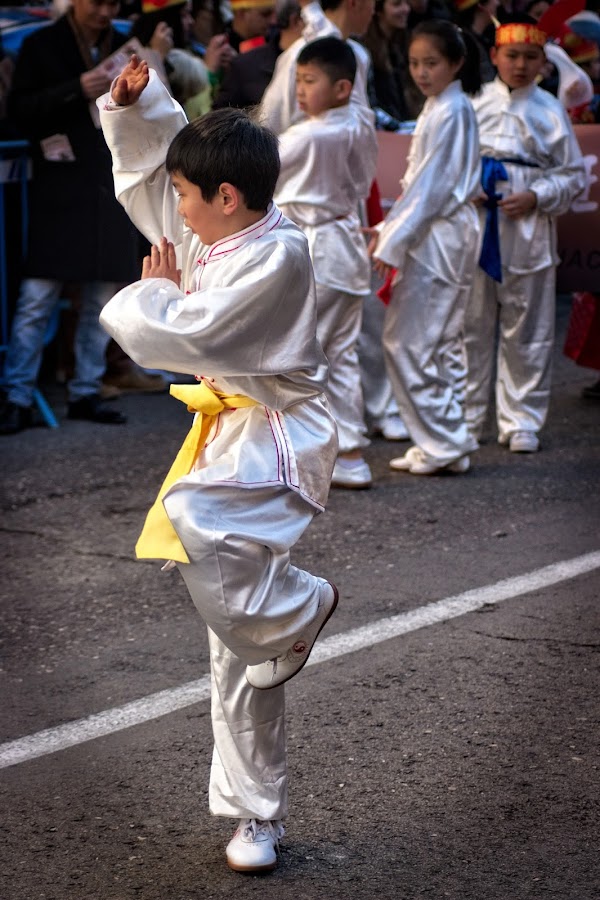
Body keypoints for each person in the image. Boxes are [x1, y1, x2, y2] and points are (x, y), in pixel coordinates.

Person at [97, 55, 339, 873]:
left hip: (279, 435)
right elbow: (161, 179)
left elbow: (190, 334)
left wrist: (157, 295)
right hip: (230, 433)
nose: (176, 212)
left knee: (198, 519)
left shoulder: (278, 256)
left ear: (227, 198)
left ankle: (298, 609)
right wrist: (139, 108)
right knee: (233, 648)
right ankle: (253, 813)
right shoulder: (219, 225)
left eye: (189, 197)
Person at [0, 0, 141, 435]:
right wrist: (75, 88)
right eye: (97, 1)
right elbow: (19, 111)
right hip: (59, 185)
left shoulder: (125, 45)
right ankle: (16, 395)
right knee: (37, 295)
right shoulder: (42, 44)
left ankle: (86, 390)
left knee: (103, 301)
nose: (105, 11)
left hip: (111, 183)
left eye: (113, 3)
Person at [464, 17, 586, 453]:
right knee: (469, 324)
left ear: (543, 63)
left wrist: (537, 195)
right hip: (476, 224)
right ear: (494, 55)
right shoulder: (472, 102)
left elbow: (573, 175)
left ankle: (521, 419)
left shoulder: (550, 110)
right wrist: (466, 186)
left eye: (530, 57)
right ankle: (466, 416)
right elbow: (446, 161)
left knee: (528, 327)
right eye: (512, 55)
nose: (520, 65)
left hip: (527, 228)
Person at [369, 20, 482, 475]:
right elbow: (423, 185)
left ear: (456, 63)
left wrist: (391, 239)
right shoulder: (443, 106)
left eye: (431, 63)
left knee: (411, 341)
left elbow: (431, 188)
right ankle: (445, 438)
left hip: (439, 235)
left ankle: (443, 441)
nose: (421, 72)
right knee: (433, 340)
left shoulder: (451, 109)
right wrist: (388, 228)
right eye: (415, 63)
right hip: (437, 231)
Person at [274, 37, 378, 487]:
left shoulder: (310, 134)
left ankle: (311, 455)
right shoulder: (360, 121)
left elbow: (258, 168)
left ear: (341, 88)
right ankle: (348, 452)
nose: (300, 90)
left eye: (310, 80)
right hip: (344, 246)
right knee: (340, 355)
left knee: (307, 356)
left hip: (320, 250)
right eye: (298, 80)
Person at [260, 0, 375, 135]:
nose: (373, 11)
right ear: (354, 3)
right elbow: (271, 122)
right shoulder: (297, 55)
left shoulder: (360, 54)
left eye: (309, 80)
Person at [212, 0, 304, 109]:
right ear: (296, 20)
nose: (273, 21)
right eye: (265, 14)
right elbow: (221, 115)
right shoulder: (243, 66)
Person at [361, 0, 423, 128]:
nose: (406, 9)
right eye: (397, 4)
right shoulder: (365, 51)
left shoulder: (405, 43)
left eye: (407, 3)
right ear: (378, 10)